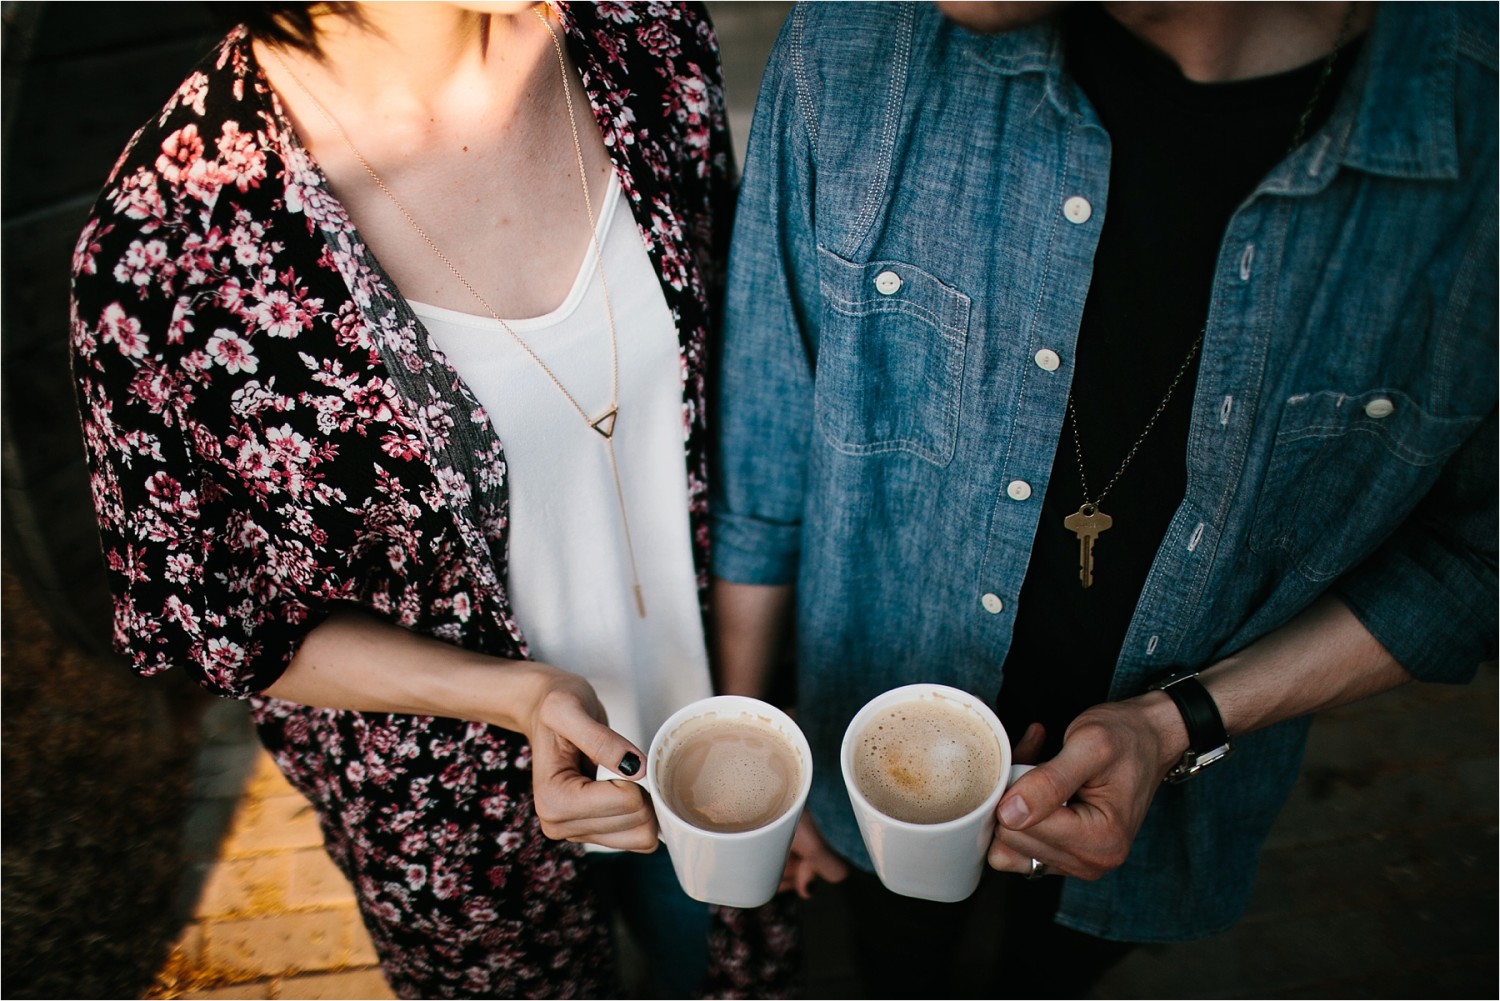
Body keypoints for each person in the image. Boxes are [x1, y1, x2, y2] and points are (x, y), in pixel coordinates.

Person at [711, 1, 1496, 994]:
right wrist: (751, 733)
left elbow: (1476, 556)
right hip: (854, 741)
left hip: (1172, 809)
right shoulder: (855, 39)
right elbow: (770, 428)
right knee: (894, 957)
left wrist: (1175, 726)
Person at [69, 2, 796, 997]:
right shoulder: (164, 246)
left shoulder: (643, 34)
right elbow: (225, 629)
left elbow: (750, 384)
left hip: (723, 730)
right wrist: (519, 694)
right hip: (451, 829)